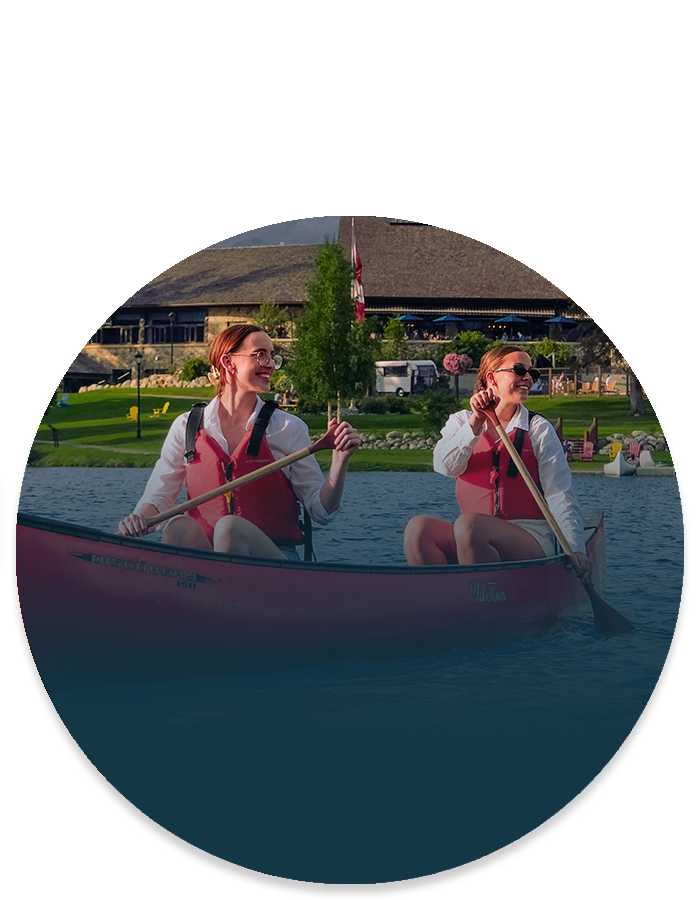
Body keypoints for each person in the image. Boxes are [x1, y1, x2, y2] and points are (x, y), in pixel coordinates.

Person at [118, 324, 361, 561]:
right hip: (208, 560)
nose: (271, 364)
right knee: (177, 526)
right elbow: (159, 497)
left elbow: (322, 511)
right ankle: (196, 596)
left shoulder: (288, 428)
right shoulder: (186, 427)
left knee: (230, 528)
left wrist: (339, 462)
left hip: (276, 561)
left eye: (272, 356)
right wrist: (139, 518)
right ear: (228, 362)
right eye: (260, 355)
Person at [403, 346, 593, 580]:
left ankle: (482, 602)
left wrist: (575, 550)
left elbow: (560, 494)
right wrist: (476, 421)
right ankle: (439, 603)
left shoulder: (538, 429)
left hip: (529, 537)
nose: (528, 378)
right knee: (418, 529)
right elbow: (444, 466)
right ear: (491, 377)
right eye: (519, 370)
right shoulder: (462, 421)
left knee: (470, 526)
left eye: (531, 374)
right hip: (470, 535)